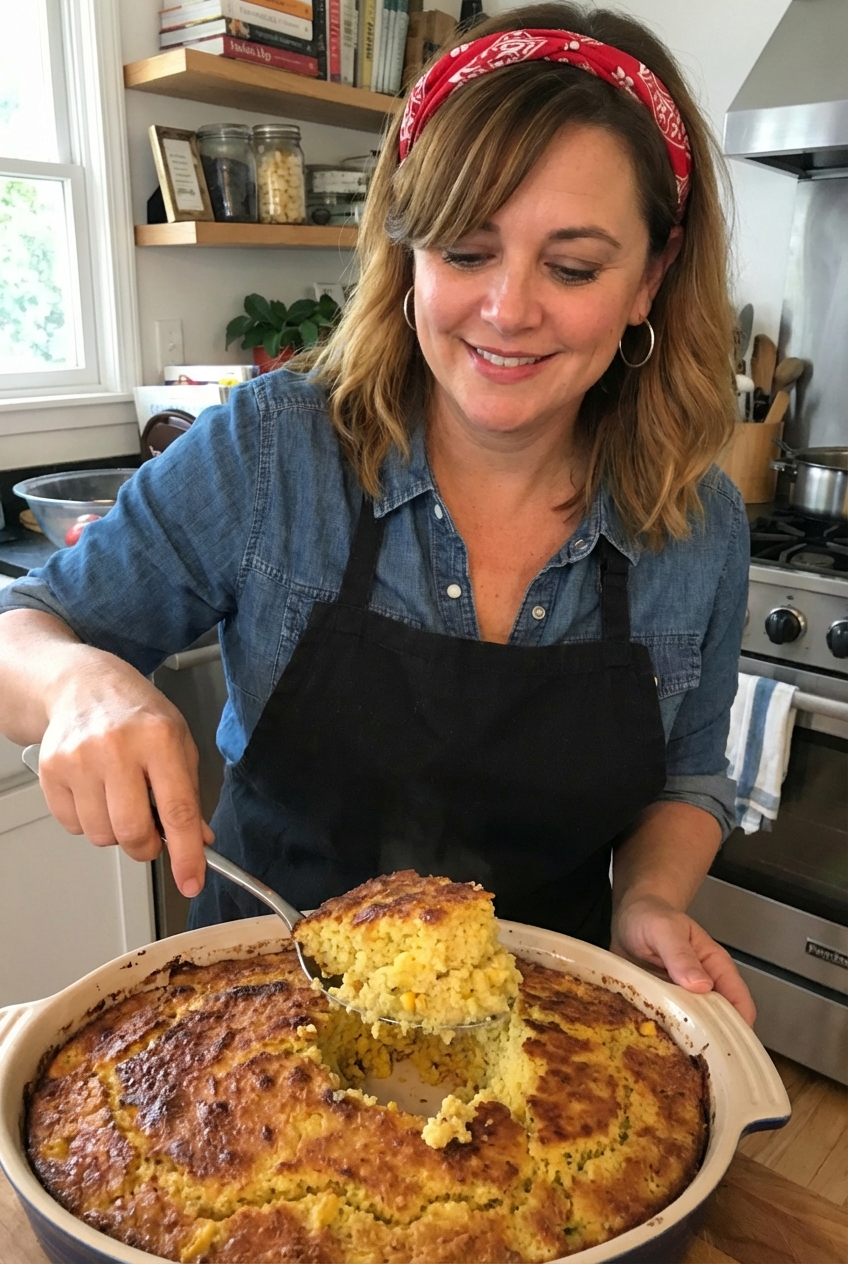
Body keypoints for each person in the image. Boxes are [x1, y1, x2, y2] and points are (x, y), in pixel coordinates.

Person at [0, 2, 754, 1022]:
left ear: (648, 279)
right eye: (465, 249)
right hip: (253, 1031)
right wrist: (78, 682)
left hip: (544, 1049)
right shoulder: (273, 451)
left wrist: (652, 898)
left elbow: (689, 777)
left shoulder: (696, 522)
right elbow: (23, 634)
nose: (507, 308)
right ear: (406, 252)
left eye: (571, 265)